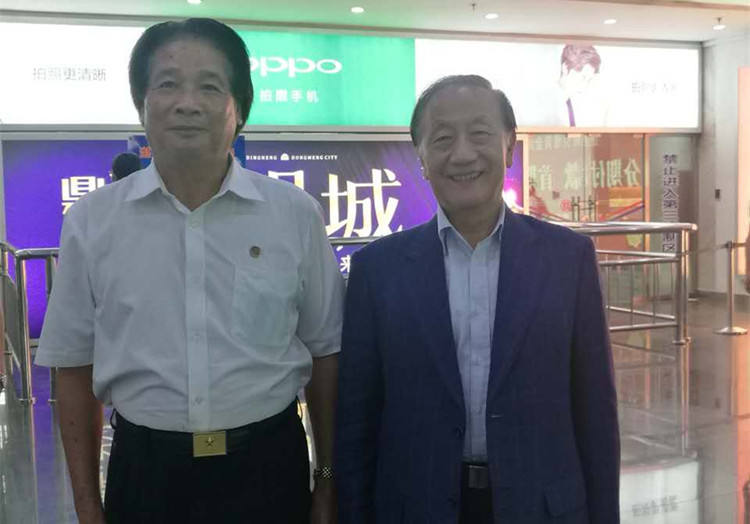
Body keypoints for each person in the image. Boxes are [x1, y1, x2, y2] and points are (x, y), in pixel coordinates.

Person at [36, 18, 343, 524]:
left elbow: (325, 352)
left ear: (239, 109)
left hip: (269, 470)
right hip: (146, 476)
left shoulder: (294, 214)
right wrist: (88, 508)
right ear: (142, 104)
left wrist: (326, 482)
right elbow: (72, 366)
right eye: (167, 84)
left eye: (210, 86)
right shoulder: (92, 222)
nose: (187, 103)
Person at [336, 75, 620, 523]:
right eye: (443, 138)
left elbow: (596, 413)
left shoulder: (568, 259)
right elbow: (357, 421)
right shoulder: (378, 270)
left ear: (509, 147)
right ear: (421, 158)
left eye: (480, 133)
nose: (463, 153)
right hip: (417, 507)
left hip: (542, 507)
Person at [558, 44, 609, 127]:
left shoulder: (579, 101)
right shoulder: (548, 102)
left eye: (589, 80)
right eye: (582, 77)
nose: (585, 85)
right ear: (565, 68)